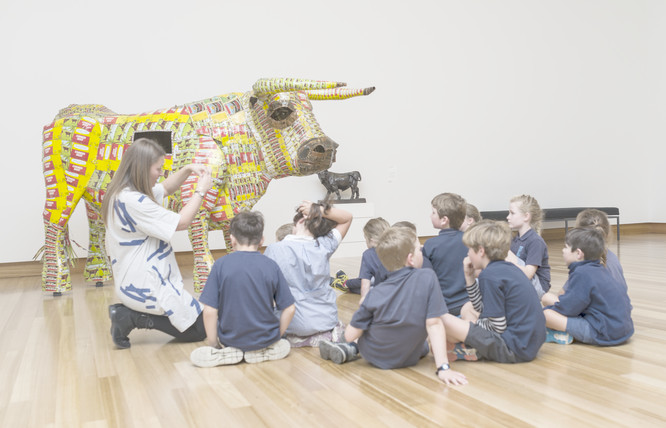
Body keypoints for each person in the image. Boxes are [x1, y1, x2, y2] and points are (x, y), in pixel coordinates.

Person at [318, 227, 468, 386]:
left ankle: (351, 349)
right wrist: (443, 368)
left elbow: (350, 334)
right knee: (424, 344)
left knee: (361, 331)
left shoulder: (375, 294)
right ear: (410, 258)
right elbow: (434, 324)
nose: (421, 251)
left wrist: (353, 329)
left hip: (374, 356)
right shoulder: (428, 277)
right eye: (419, 249)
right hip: (411, 356)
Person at [102, 138, 213, 349]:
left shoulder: (124, 193)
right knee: (200, 330)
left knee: (201, 317)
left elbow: (165, 188)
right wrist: (200, 191)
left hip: (137, 277)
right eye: (158, 168)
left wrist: (188, 169)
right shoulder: (135, 202)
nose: (162, 173)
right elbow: (182, 222)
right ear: (142, 169)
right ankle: (130, 317)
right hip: (145, 283)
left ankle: (129, 314)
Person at [190, 211, 296, 367]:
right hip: (266, 338)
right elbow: (290, 308)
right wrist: (277, 335)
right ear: (261, 240)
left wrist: (214, 344)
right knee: (285, 345)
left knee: (203, 351)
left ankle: (227, 352)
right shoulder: (271, 265)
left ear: (232, 239)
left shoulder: (220, 265)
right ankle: (263, 350)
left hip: (230, 339)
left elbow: (210, 311)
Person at [442, 220, 546, 363]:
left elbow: (497, 326)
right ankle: (470, 344)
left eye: (469, 250)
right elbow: (479, 307)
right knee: (467, 307)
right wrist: (470, 277)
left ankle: (473, 349)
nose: (467, 254)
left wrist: (471, 325)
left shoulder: (490, 276)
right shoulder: (505, 268)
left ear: (481, 251)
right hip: (528, 343)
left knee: (444, 321)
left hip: (513, 348)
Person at [264, 200, 352, 347]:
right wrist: (318, 210)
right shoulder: (325, 245)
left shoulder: (274, 249)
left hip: (293, 325)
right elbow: (347, 217)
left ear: (301, 220)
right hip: (326, 320)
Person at [542, 228, 634, 346]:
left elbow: (569, 309)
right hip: (622, 329)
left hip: (603, 332)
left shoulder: (582, 273)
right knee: (547, 298)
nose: (563, 250)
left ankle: (560, 334)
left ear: (578, 254)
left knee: (545, 315)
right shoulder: (598, 269)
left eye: (566, 247)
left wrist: (546, 311)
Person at [422, 193, 470, 315]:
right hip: (469, 304)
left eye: (433, 213)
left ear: (444, 220)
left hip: (444, 307)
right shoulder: (470, 240)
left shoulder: (430, 245)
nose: (430, 215)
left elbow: (427, 279)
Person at [505, 194, 551, 299]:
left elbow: (528, 274)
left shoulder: (535, 241)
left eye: (512, 213)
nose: (508, 217)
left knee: (504, 254)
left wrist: (505, 254)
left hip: (538, 287)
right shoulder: (515, 239)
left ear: (526, 216)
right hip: (522, 281)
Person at [332, 217, 391, 297]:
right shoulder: (396, 248)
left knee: (365, 284)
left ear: (372, 240)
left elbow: (363, 282)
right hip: (398, 288)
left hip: (382, 291)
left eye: (366, 238)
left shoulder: (369, 254)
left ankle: (343, 283)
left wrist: (347, 283)